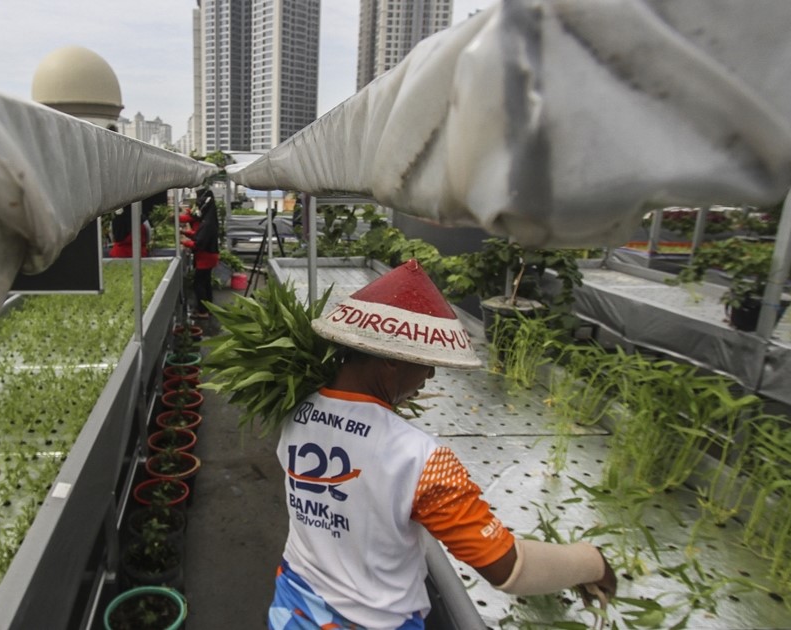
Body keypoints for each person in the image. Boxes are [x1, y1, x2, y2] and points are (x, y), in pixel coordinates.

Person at [268, 259, 616, 630]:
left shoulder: (294, 413)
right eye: (424, 362)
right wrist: (590, 562)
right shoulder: (419, 458)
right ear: (389, 360)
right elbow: (508, 569)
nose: (430, 374)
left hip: (293, 608)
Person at [181, 187, 219, 318]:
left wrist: (183, 242)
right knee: (206, 282)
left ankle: (203, 312)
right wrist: (186, 233)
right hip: (210, 256)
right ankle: (209, 308)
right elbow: (199, 236)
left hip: (206, 257)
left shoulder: (207, 223)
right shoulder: (209, 219)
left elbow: (199, 243)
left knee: (199, 284)